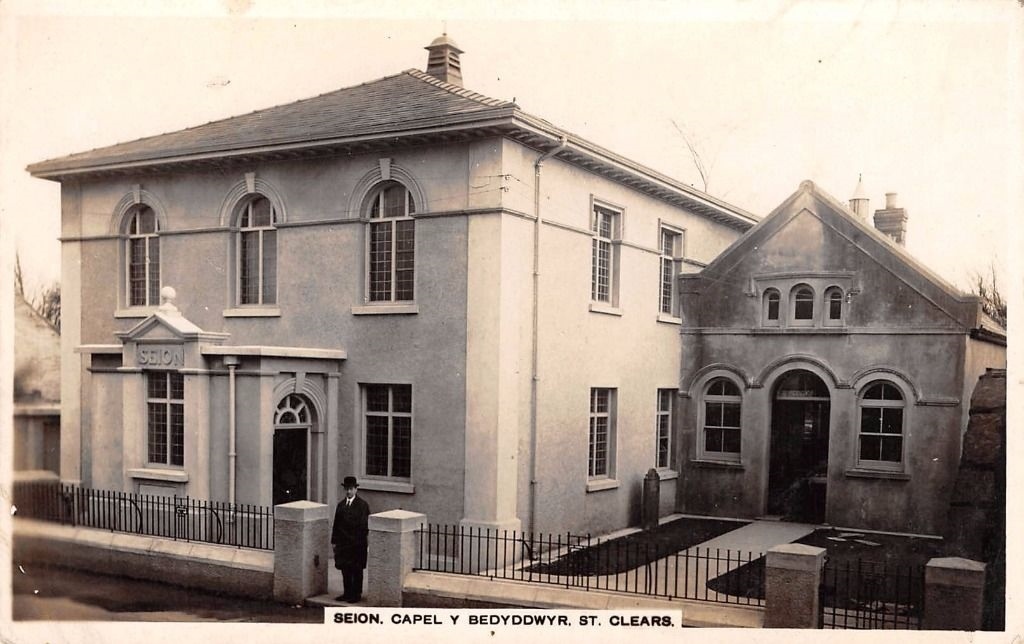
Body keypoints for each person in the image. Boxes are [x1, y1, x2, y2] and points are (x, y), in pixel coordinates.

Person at [331, 476, 370, 602]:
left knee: (356, 569)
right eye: (346, 489)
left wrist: (354, 539)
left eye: (351, 489)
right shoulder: (341, 505)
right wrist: (334, 541)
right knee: (345, 569)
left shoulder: (362, 506)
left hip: (356, 544)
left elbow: (364, 526)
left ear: (356, 489)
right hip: (343, 544)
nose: (348, 491)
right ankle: (347, 593)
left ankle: (356, 594)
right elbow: (336, 524)